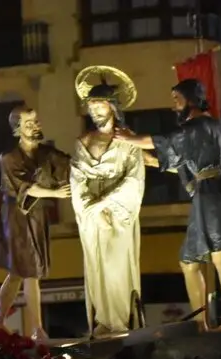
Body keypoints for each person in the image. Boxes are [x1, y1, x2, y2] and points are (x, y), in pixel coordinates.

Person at [115, 78, 221, 332]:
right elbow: (185, 163)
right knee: (189, 261)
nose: (174, 107)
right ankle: (199, 323)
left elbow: (165, 140)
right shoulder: (209, 127)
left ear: (191, 99)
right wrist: (151, 161)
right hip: (208, 193)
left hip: (214, 194)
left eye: (177, 100)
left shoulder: (200, 126)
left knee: (220, 254)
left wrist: (130, 138)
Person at [70, 67, 146, 337]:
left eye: (99, 105)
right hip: (91, 218)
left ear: (112, 107)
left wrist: (106, 204)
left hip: (118, 214)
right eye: (91, 106)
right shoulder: (84, 141)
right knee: (96, 266)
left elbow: (134, 179)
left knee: (117, 268)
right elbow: (77, 178)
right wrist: (91, 209)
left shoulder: (127, 141)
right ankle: (102, 320)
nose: (94, 111)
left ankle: (122, 322)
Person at [0, 105, 71, 340]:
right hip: (17, 216)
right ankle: (37, 329)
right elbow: (26, 188)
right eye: (28, 124)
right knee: (29, 271)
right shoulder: (8, 158)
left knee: (18, 272)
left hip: (36, 216)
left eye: (35, 121)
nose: (35, 126)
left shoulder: (47, 154)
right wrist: (56, 194)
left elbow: (71, 166)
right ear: (18, 129)